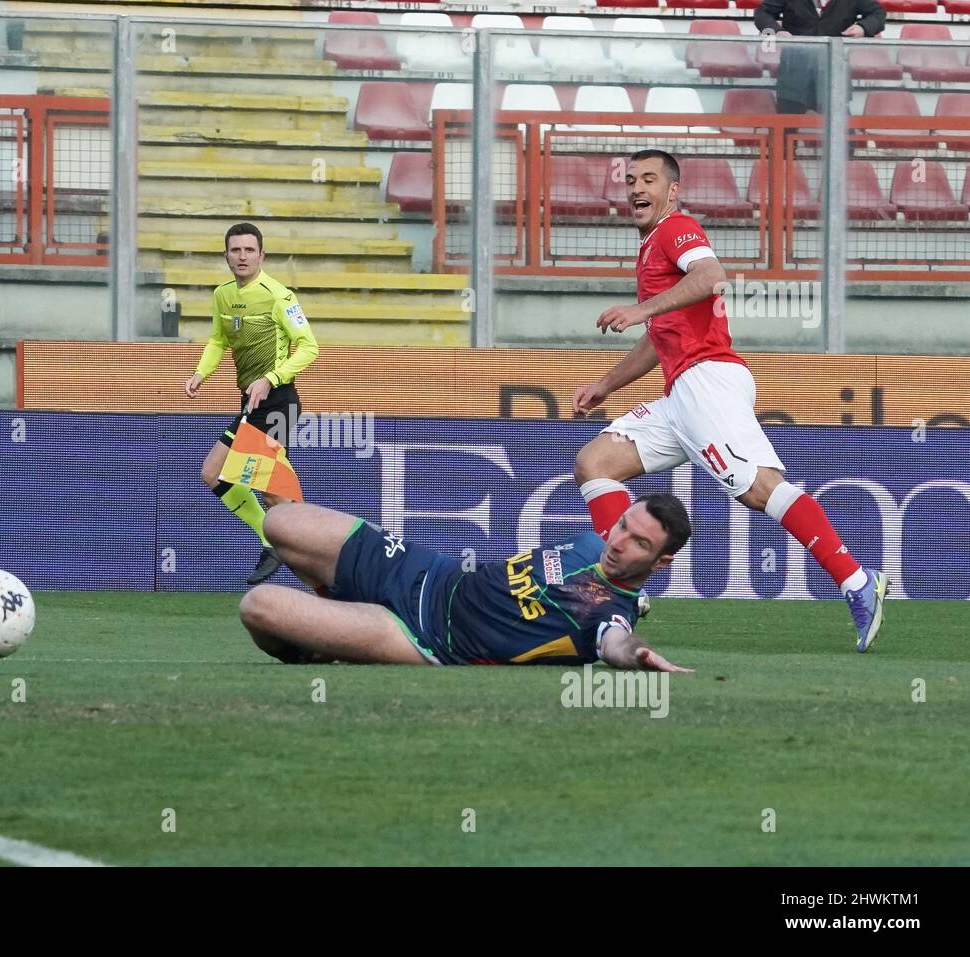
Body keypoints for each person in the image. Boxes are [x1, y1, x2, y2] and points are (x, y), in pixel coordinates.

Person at [571, 149, 888, 652]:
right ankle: (619, 587)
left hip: (707, 382)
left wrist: (639, 308)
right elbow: (661, 334)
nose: (637, 189)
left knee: (761, 490)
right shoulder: (652, 245)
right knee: (595, 464)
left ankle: (856, 580)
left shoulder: (676, 229)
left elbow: (712, 277)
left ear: (672, 190)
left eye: (649, 180)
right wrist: (607, 384)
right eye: (631, 180)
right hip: (680, 393)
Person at [239, 495, 694, 671]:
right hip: (427, 571)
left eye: (639, 543)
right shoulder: (589, 544)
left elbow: (614, 641)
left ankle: (318, 648)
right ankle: (331, 602)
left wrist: (637, 654)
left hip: (423, 637)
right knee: (280, 521)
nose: (619, 542)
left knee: (258, 607)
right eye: (622, 527)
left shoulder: (606, 612)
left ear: (661, 561)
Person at [185, 223, 320, 585]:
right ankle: (281, 544)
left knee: (277, 497)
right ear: (226, 255)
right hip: (252, 406)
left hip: (278, 404)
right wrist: (201, 372)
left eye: (249, 250)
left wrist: (270, 378)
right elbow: (218, 340)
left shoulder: (281, 296)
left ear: (262, 255)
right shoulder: (223, 296)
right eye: (235, 250)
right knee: (213, 473)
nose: (242, 256)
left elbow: (309, 347)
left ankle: (319, 566)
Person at [754, 0, 886, 114]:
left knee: (843, 136)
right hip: (794, 74)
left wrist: (863, 28)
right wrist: (775, 32)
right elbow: (761, 14)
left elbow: (878, 14)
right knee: (784, 132)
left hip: (834, 74)